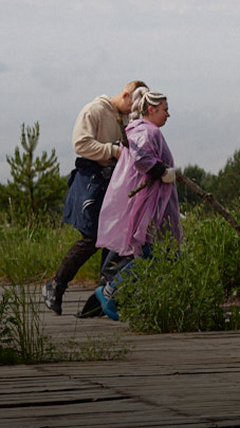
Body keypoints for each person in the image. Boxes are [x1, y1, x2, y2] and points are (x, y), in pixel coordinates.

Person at [43, 80, 147, 315]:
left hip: (110, 183)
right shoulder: (95, 110)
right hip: (90, 181)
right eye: (134, 104)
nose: (134, 111)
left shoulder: (124, 119)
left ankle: (100, 300)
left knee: (115, 239)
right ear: (125, 94)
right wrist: (112, 150)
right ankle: (56, 285)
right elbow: (81, 144)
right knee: (92, 238)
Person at [89, 90, 182, 320]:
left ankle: (172, 303)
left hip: (158, 205)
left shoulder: (149, 131)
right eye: (165, 109)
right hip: (151, 209)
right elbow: (142, 159)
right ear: (151, 109)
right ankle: (109, 292)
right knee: (151, 257)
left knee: (168, 257)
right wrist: (162, 172)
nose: (168, 114)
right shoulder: (144, 130)